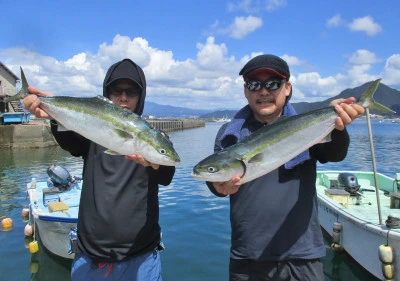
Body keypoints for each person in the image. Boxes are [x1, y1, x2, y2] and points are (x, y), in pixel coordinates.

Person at [206, 54, 365, 281]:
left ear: (287, 88)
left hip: (302, 255)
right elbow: (216, 175)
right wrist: (216, 187)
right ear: (245, 91)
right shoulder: (229, 135)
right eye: (254, 84)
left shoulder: (306, 128)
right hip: (249, 257)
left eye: (272, 83)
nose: (263, 91)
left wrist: (337, 126)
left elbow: (335, 154)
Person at [24, 58, 175, 281]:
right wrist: (53, 115)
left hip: (141, 260)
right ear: (107, 93)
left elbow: (167, 173)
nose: (123, 98)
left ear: (141, 96)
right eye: (116, 91)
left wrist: (156, 163)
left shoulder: (153, 136)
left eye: (131, 92)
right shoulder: (92, 134)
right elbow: (70, 141)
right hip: (90, 260)